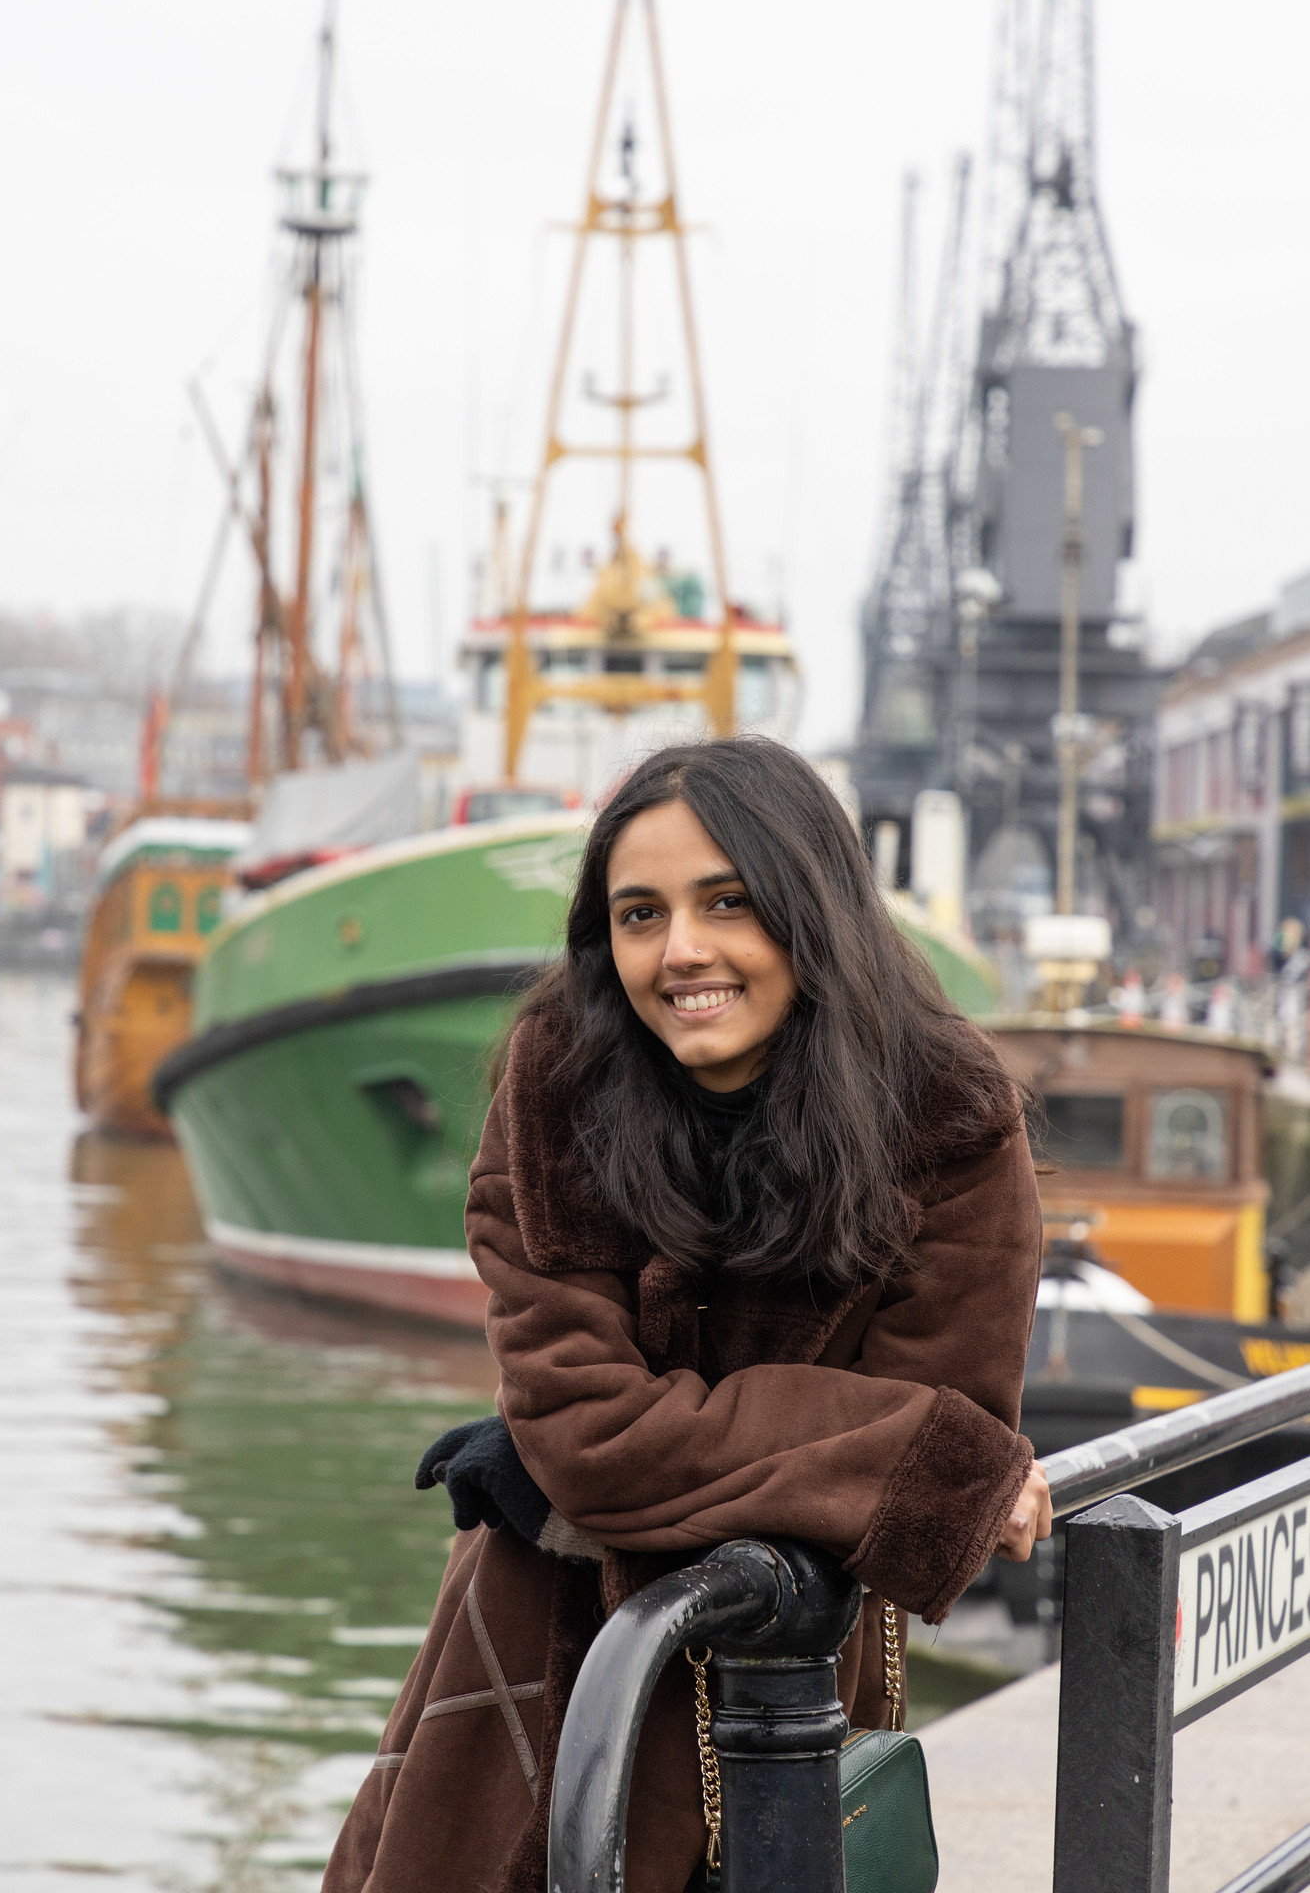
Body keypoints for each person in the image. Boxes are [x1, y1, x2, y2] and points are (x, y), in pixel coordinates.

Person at [324, 738, 1049, 1893]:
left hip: (790, 1679)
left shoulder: (945, 1114)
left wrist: (910, 1452)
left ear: (809, 904)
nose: (681, 949)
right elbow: (591, 1437)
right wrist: (911, 1463)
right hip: (541, 1662)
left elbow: (950, 1403)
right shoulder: (560, 1079)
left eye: (727, 900)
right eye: (639, 913)